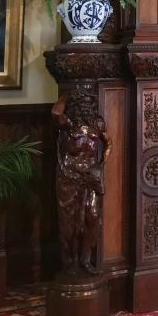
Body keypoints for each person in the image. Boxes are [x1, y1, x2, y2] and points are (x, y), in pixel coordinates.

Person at [52, 90, 112, 274]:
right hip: (68, 176)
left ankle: (86, 260)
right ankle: (71, 261)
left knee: (92, 217)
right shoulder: (68, 124)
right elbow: (56, 113)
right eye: (82, 103)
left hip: (90, 176)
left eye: (88, 103)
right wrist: (66, 95)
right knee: (69, 222)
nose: (86, 107)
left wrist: (100, 165)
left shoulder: (97, 124)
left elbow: (109, 143)